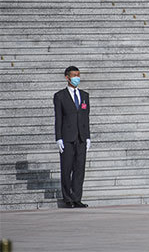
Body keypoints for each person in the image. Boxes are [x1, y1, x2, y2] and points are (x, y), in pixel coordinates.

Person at [54, 66, 91, 208]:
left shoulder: (84, 96)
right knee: (66, 168)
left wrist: (87, 137)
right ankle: (67, 198)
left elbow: (85, 118)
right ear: (67, 77)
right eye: (74, 75)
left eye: (78, 75)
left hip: (81, 137)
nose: (77, 78)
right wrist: (58, 138)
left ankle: (76, 197)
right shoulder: (60, 96)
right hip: (67, 137)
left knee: (79, 169)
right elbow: (58, 118)